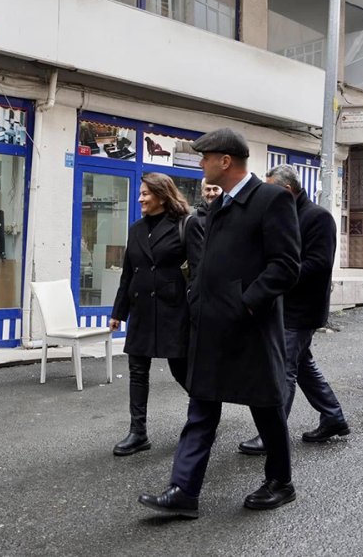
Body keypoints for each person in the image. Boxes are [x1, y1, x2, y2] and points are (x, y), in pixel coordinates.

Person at [138, 128, 300, 518]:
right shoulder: (216, 205)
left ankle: (281, 481)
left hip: (251, 327)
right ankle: (183, 490)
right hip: (209, 326)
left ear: (225, 161)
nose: (201, 165)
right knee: (201, 407)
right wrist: (197, 299)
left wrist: (245, 304)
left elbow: (285, 266)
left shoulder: (271, 199)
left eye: (205, 158)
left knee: (266, 405)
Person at [238, 164, 349, 456]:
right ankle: (333, 417)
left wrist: (280, 274)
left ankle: (271, 435)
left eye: (270, 187)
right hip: (282, 305)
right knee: (302, 366)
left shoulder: (318, 217)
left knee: (282, 370)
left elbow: (319, 264)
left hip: (302, 308)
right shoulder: (281, 215)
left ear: (286, 189)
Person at [109, 173, 194, 456]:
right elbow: (128, 273)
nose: (141, 198)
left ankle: (203, 417)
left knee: (182, 369)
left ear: (162, 195)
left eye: (146, 193)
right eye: (141, 193)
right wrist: (118, 312)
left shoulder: (184, 225)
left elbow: (199, 271)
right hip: (142, 309)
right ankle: (138, 432)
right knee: (137, 371)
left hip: (174, 310)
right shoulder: (136, 229)